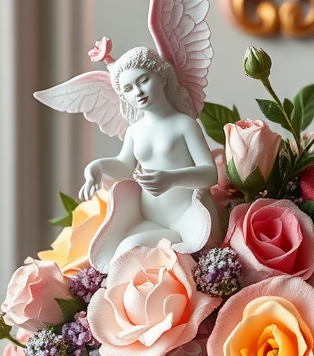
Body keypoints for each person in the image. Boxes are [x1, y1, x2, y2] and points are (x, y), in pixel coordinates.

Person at [82, 46, 220, 271]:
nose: (137, 91)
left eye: (143, 80)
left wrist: (171, 178)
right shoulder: (135, 131)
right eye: (128, 88)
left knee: (128, 249)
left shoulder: (184, 124)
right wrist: (97, 167)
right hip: (147, 219)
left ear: (162, 76)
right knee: (112, 253)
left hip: (185, 222)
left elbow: (210, 174)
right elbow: (123, 166)